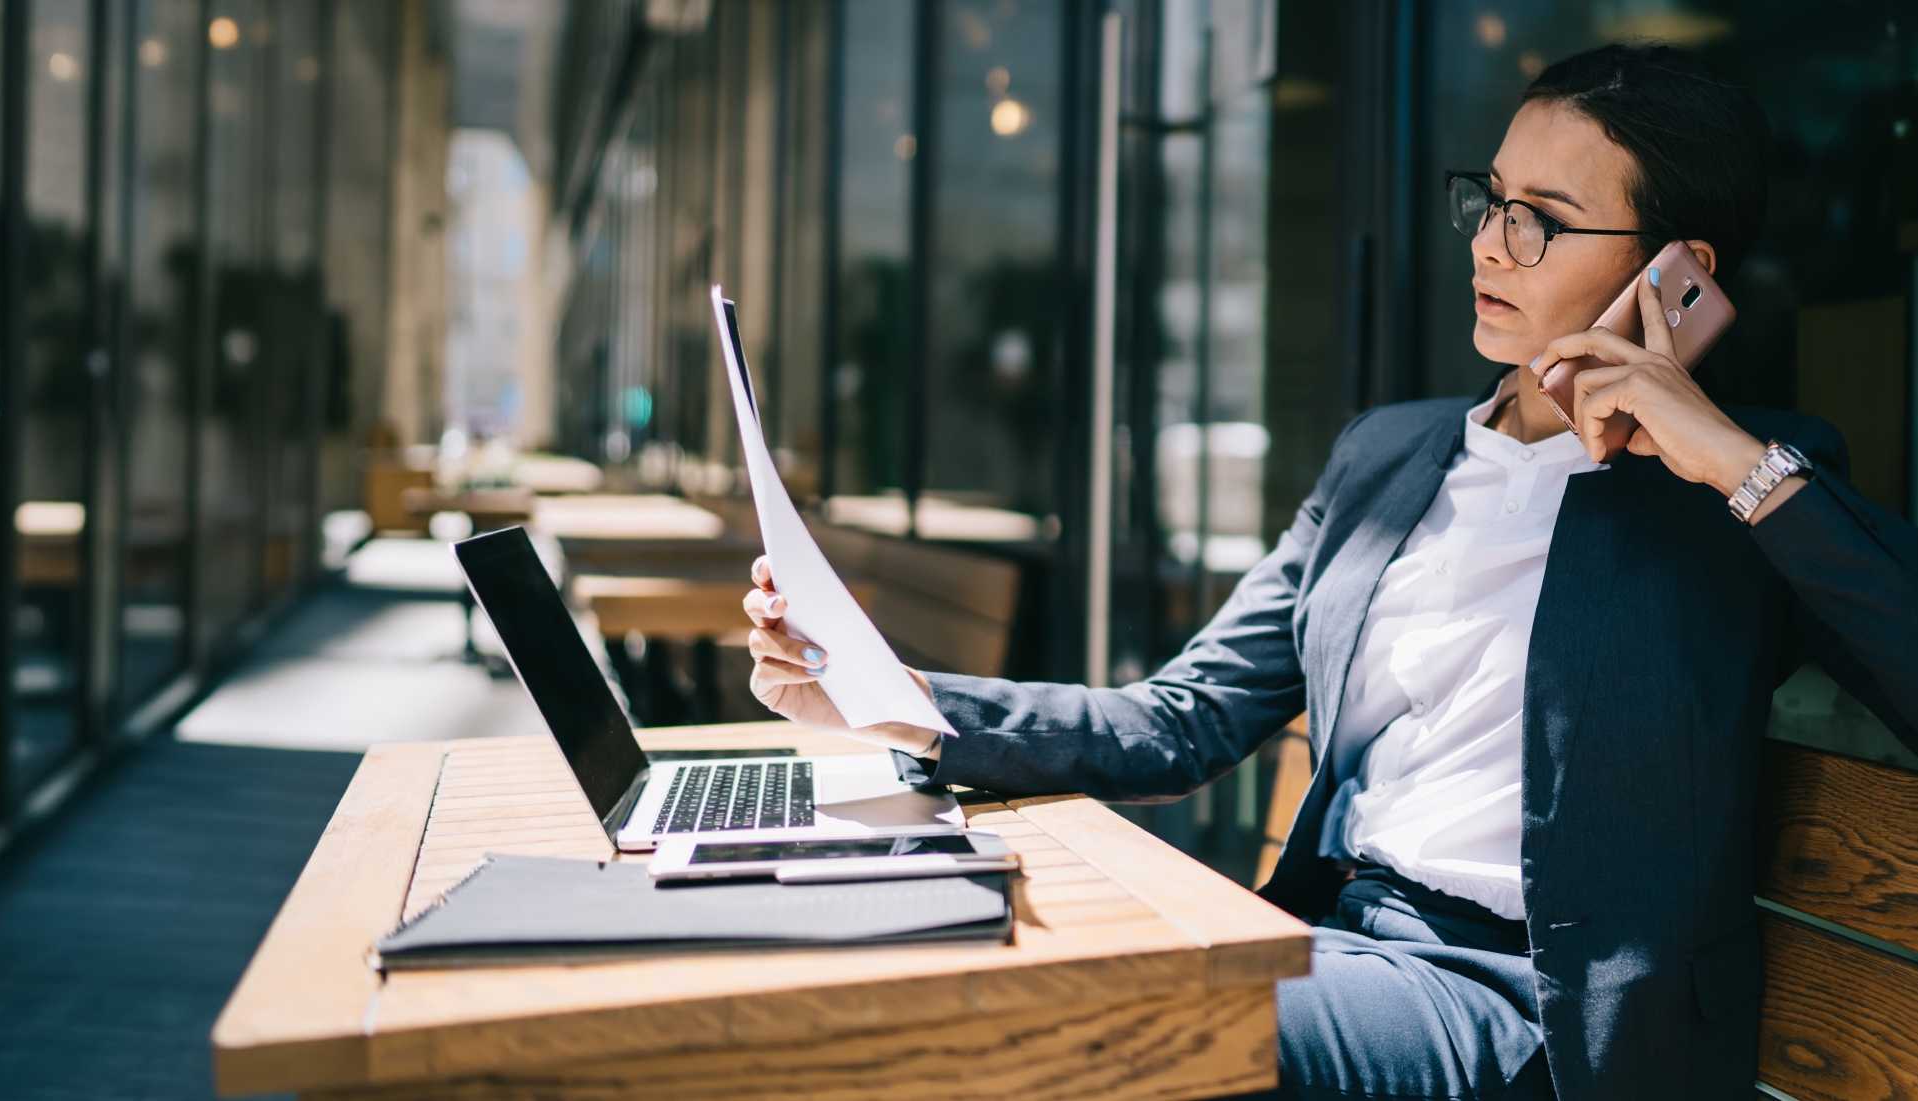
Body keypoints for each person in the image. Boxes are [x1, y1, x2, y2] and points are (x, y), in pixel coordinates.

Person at [742, 44, 1918, 1101]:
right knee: (918, 976)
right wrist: (878, 693)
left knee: (1105, 1037)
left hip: (1532, 1011)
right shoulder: (1387, 453)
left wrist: (1727, 458)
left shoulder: (1744, 490)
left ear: (1679, 270)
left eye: (1540, 220)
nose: (1488, 244)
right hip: (1334, 942)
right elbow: (1183, 720)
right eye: (1490, 201)